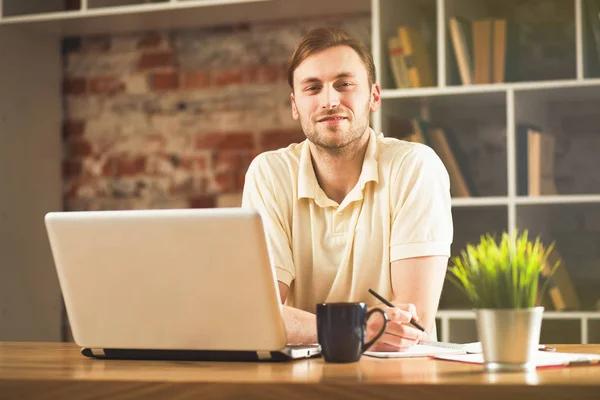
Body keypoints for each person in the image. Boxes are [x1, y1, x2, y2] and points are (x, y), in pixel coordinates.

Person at [242, 27, 453, 352]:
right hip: (300, 378)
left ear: (374, 96)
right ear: (295, 105)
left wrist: (310, 327)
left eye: (345, 84)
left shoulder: (415, 167)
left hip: (399, 379)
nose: (330, 100)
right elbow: (259, 317)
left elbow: (411, 323)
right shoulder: (269, 174)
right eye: (313, 88)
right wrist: (357, 328)